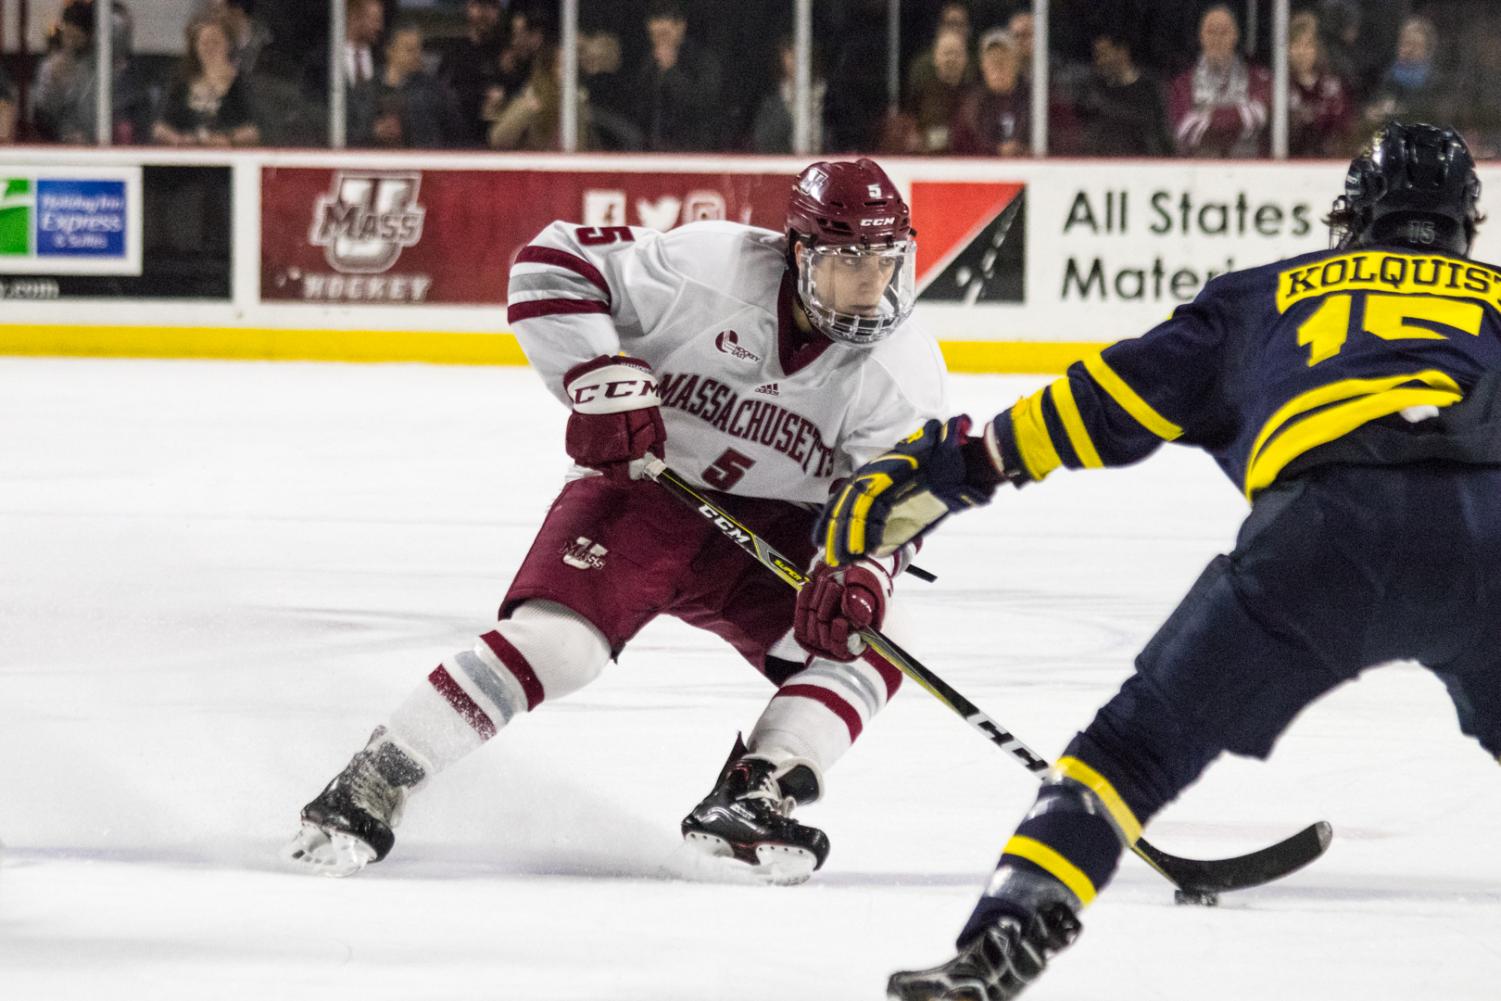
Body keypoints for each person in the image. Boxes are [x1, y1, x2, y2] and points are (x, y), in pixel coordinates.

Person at [806, 122, 1501, 1000]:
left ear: (1352, 217)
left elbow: (1102, 402)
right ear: (1462, 225)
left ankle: (1004, 937)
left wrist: (970, 465)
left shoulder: (1266, 295)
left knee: (1129, 752)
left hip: (1325, 532)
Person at [283, 158, 949, 885]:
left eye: (886, 258)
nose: (871, 280)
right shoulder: (709, 268)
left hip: (771, 530)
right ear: (798, 252)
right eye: (848, 257)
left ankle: (753, 792)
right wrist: (599, 377)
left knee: (878, 636)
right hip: (646, 491)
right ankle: (379, 773)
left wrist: (860, 569)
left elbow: (903, 496)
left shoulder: (902, 368)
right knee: (560, 647)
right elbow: (550, 262)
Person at [1168, 4, 1270, 158]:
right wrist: (1238, 114)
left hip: (1249, 169)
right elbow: (1187, 129)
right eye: (1211, 32)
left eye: (1224, 32)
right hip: (1199, 171)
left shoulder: (1258, 78)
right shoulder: (1182, 84)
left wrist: (1209, 114)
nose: (1217, 39)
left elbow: (1258, 117)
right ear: (1201, 36)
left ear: (1235, 35)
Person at [152, 13, 260, 147]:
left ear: (228, 44)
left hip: (229, 158)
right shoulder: (180, 81)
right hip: (185, 157)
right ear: (195, 47)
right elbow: (160, 128)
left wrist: (227, 139)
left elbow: (254, 130)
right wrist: (178, 140)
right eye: (204, 42)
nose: (210, 48)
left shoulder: (241, 83)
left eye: (215, 41)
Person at [350, 22, 464, 149]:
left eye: (419, 49)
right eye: (410, 50)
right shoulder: (366, 90)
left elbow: (457, 135)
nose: (417, 55)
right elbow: (351, 131)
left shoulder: (435, 91)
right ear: (390, 51)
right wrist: (373, 132)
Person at [631, 0, 723, 151]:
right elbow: (640, 108)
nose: (660, 41)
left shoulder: (702, 60)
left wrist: (671, 71)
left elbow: (703, 104)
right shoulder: (647, 62)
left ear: (681, 27)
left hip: (691, 150)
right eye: (655, 35)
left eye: (664, 34)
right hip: (652, 150)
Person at [950, 28, 1029, 157]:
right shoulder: (970, 105)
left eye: (1004, 58)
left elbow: (1063, 138)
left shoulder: (1036, 100)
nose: (998, 65)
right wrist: (996, 151)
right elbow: (960, 146)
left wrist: (1027, 151)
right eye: (992, 59)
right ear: (983, 65)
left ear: (1017, 63)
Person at [438, 0, 507, 146]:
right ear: (468, 8)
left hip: (503, 142)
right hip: (462, 141)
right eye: (479, 6)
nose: (484, 13)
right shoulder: (455, 52)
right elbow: (442, 96)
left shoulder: (507, 52)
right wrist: (482, 96)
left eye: (490, 7)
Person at [1288, 10, 1353, 159]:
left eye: (1308, 45)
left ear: (1317, 50)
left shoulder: (1333, 87)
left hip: (1326, 163)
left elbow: (1344, 129)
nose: (1302, 52)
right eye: (1296, 45)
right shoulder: (1280, 87)